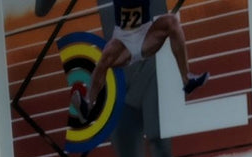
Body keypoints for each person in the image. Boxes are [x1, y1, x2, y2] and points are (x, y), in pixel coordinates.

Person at [77, 1, 207, 124]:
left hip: (146, 35)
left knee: (172, 21)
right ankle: (88, 104)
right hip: (123, 43)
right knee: (105, 58)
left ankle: (187, 80)